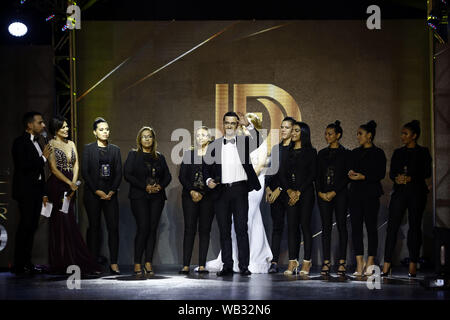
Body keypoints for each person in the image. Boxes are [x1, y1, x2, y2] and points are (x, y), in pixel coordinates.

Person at [205, 113, 273, 273]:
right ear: (223, 124)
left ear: (237, 125)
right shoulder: (214, 145)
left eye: (233, 123)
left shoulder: (244, 142)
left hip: (240, 190)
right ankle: (227, 265)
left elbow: (259, 141)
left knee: (241, 229)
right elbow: (206, 167)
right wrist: (209, 181)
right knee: (224, 229)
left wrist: (248, 124)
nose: (229, 125)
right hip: (221, 191)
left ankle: (244, 267)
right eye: (227, 122)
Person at [46, 117, 101, 275]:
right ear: (55, 129)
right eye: (63, 127)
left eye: (67, 127)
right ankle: (62, 260)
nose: (66, 129)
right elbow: (53, 168)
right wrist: (68, 183)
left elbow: (76, 164)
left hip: (71, 185)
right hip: (57, 185)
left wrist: (74, 183)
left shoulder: (71, 144)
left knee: (69, 221)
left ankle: (71, 258)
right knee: (61, 223)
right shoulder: (51, 144)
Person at [382, 120, 432, 277]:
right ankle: (387, 264)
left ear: (414, 136)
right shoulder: (398, 152)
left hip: (417, 193)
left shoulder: (423, 152)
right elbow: (392, 173)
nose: (402, 136)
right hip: (400, 192)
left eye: (406, 133)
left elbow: (427, 172)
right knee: (392, 227)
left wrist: (410, 178)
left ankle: (413, 264)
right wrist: (397, 178)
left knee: (414, 227)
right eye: (402, 133)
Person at [124, 126, 172, 276]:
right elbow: (128, 174)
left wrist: (160, 186)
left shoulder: (159, 156)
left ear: (153, 139)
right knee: (143, 227)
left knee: (152, 229)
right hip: (139, 196)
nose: (147, 139)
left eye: (149, 136)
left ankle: (148, 262)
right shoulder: (133, 155)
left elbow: (168, 176)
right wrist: (145, 187)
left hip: (157, 197)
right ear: (139, 139)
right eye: (144, 136)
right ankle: (137, 262)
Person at [11, 111, 52, 274]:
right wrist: (43, 158)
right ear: (30, 125)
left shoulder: (38, 142)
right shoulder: (19, 142)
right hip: (25, 192)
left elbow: (40, 173)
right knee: (25, 226)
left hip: (36, 192)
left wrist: (43, 193)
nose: (43, 125)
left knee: (32, 226)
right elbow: (24, 165)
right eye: (40, 122)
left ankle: (27, 263)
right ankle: (19, 264)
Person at [82, 117, 122, 275]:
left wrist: (112, 190)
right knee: (94, 228)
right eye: (101, 129)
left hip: (111, 194)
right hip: (93, 193)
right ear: (94, 132)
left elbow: (119, 173)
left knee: (113, 228)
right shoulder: (88, 149)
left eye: (107, 129)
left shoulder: (115, 150)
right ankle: (93, 263)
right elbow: (85, 172)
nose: (105, 132)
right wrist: (97, 191)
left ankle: (114, 263)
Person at [348, 120, 386, 276]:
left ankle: (370, 260)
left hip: (371, 194)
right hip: (355, 194)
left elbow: (380, 174)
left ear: (369, 136)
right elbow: (349, 169)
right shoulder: (355, 153)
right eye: (357, 134)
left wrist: (364, 176)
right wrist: (350, 173)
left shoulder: (378, 153)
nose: (358, 137)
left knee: (371, 228)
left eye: (360, 134)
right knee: (356, 228)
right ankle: (359, 263)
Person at [280, 121, 317, 275]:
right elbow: (282, 173)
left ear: (303, 133)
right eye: (292, 130)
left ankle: (307, 262)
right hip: (290, 194)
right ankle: (292, 261)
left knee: (305, 227)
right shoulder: (287, 151)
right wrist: (289, 191)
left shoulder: (311, 152)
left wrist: (299, 192)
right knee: (292, 227)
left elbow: (312, 175)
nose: (293, 133)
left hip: (306, 194)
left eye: (296, 130)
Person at [178, 126, 214, 274]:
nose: (200, 137)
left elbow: (216, 177)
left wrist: (203, 193)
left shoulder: (214, 156)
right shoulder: (189, 154)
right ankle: (186, 264)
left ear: (209, 137)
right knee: (189, 229)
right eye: (198, 135)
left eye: (203, 135)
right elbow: (182, 176)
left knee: (205, 230)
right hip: (189, 196)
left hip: (208, 197)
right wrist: (192, 191)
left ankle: (202, 265)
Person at [316, 120, 350, 276]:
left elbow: (346, 177)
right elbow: (317, 176)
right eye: (325, 133)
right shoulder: (321, 153)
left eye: (330, 134)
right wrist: (321, 192)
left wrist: (334, 191)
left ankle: (342, 262)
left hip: (340, 194)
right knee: (326, 228)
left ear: (338, 135)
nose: (327, 136)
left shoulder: (346, 154)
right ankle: (326, 262)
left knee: (342, 226)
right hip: (323, 194)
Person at [265, 116, 295, 273]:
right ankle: (274, 262)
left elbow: (291, 174)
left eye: (287, 127)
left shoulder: (295, 149)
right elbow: (271, 171)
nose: (283, 129)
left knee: (292, 228)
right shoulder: (276, 148)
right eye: (282, 127)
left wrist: (281, 189)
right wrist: (268, 188)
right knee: (277, 228)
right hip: (275, 194)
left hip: (288, 194)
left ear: (293, 130)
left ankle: (293, 262)